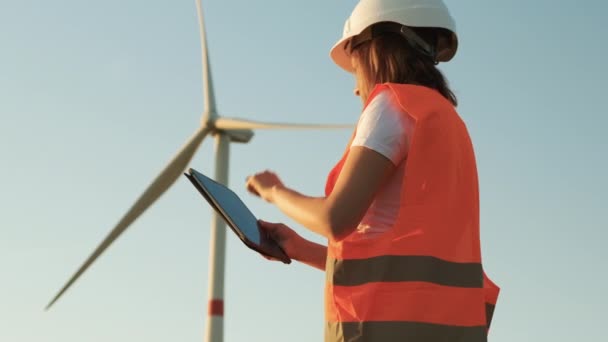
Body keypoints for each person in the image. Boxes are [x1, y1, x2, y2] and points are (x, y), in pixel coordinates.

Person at [245, 0, 500, 341]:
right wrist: (300, 249)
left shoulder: (391, 106)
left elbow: (335, 219)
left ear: (376, 49)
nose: (355, 86)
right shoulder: (446, 122)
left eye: (355, 65)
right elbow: (402, 269)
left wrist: (274, 191)